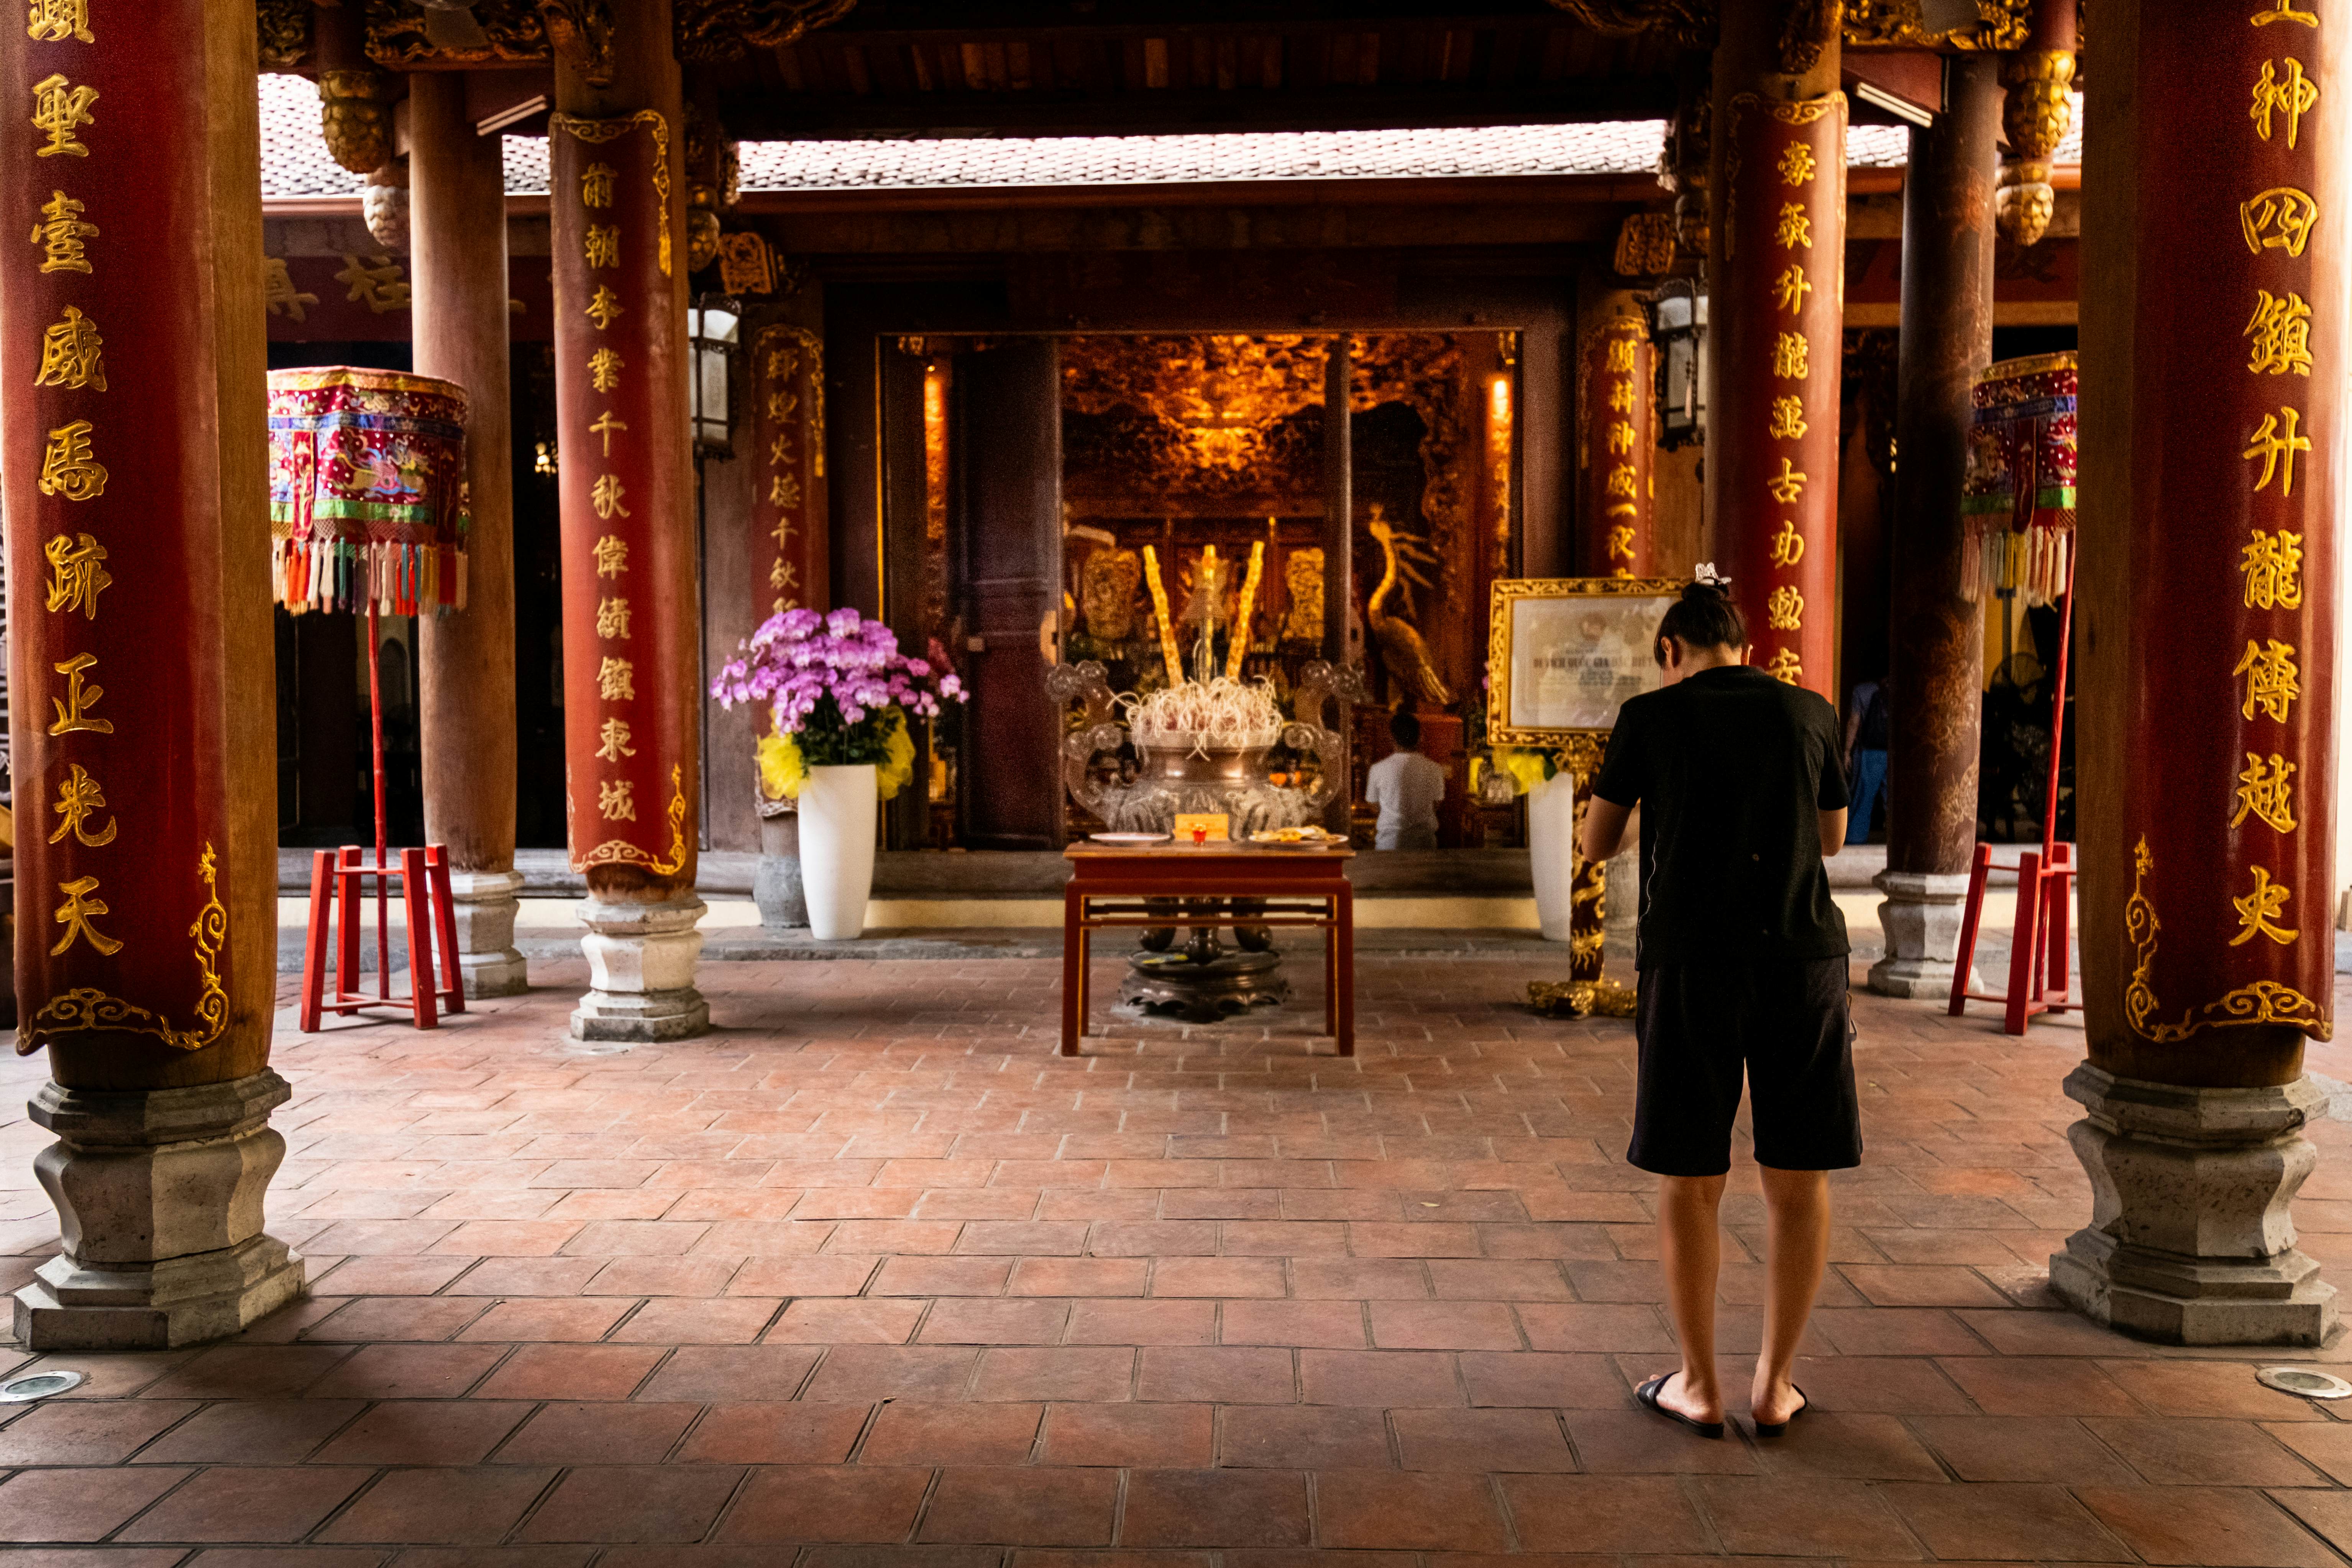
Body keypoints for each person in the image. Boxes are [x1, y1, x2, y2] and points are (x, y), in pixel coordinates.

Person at [1577, 578, 1857, 1440]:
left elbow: (1596, 841)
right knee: (1797, 1175)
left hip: (1691, 961)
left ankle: (1697, 1384)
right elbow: (1832, 837)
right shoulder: (1808, 711)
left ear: (1670, 651)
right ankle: (1774, 1384)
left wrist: (1661, 801)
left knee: (1691, 1174)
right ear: (1746, 647)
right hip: (1801, 957)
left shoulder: (1649, 716)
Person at [1365, 708, 1444, 849]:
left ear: (1391, 738)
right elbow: (1436, 804)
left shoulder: (1377, 769)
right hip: (1424, 845)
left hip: (1389, 845)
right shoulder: (1435, 769)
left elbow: (1374, 806)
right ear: (1420, 738)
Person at [1842, 676, 1890, 845]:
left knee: (1864, 797)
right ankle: (1897, 839)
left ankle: (1855, 838)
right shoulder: (1901, 686)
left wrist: (1847, 752)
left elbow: (1854, 722)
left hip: (1871, 752)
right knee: (1893, 799)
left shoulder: (1862, 690)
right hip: (1895, 753)